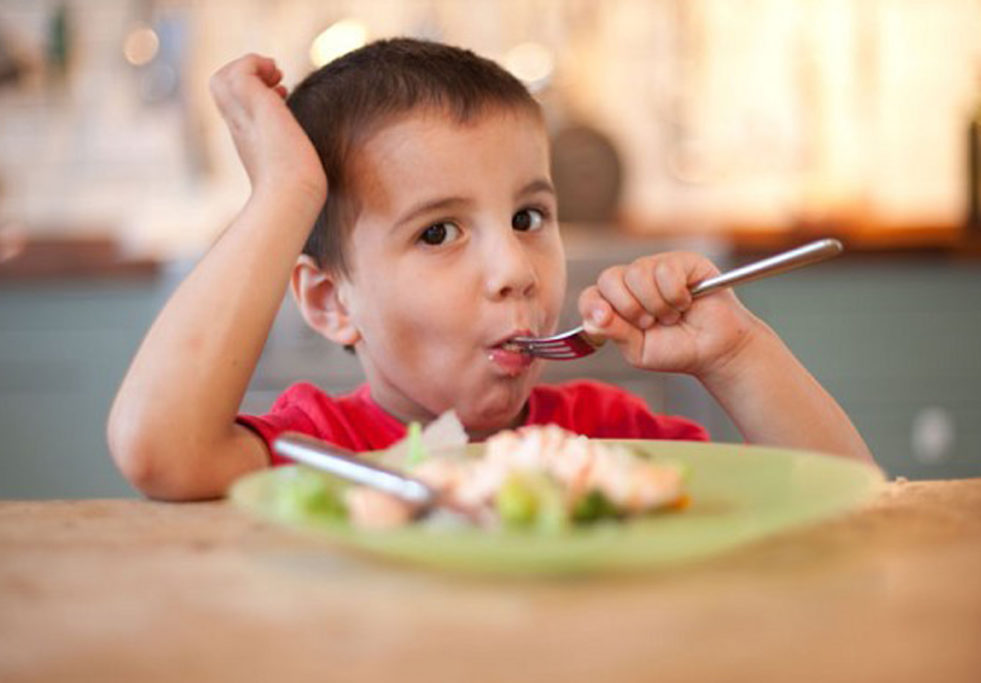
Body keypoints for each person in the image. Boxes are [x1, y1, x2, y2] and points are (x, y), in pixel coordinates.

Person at [107, 38, 872, 501]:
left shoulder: (607, 441)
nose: (515, 269)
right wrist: (286, 191)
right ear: (331, 301)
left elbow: (848, 500)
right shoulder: (322, 451)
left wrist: (736, 355)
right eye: (439, 231)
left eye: (528, 218)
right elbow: (157, 448)